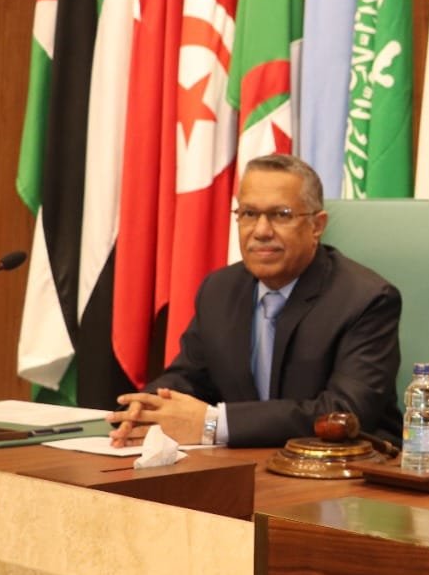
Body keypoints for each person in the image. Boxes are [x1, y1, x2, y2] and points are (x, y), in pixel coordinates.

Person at [109, 154, 402, 448]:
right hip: (241, 461)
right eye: (249, 213)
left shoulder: (366, 299)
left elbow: (345, 413)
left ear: (317, 225)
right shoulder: (219, 290)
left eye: (281, 214)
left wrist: (214, 424)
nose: (261, 231)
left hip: (344, 464)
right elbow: (189, 378)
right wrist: (146, 410)